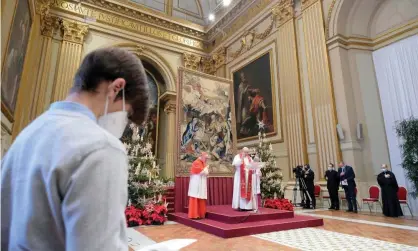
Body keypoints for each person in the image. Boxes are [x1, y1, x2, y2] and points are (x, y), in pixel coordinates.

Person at [1, 47, 149, 251]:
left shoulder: (27, 135)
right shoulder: (101, 147)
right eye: (127, 114)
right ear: (116, 88)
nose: (123, 124)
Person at [188, 152, 210, 219]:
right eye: (205, 158)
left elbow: (206, 173)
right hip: (196, 183)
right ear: (202, 156)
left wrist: (206, 169)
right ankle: (194, 214)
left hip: (201, 183)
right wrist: (206, 169)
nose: (206, 160)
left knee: (201, 197)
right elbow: (201, 172)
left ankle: (200, 213)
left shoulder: (203, 163)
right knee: (195, 197)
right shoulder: (196, 162)